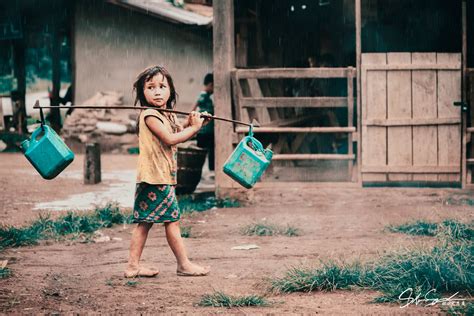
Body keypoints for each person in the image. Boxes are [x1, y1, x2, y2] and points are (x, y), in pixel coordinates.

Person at [125, 65, 211, 278]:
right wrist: (194, 129)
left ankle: (132, 266)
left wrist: (191, 123)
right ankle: (183, 264)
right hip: (154, 177)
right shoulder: (150, 115)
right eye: (151, 87)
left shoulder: (165, 114)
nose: (157, 91)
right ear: (142, 93)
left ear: (170, 90)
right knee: (171, 220)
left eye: (162, 86)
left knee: (144, 222)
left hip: (158, 176)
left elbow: (177, 131)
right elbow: (170, 139)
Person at [192, 73, 214, 171]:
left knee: (208, 151)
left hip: (207, 130)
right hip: (204, 130)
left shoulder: (207, 97)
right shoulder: (203, 96)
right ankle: (204, 170)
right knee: (203, 152)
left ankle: (208, 170)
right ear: (210, 84)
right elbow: (195, 106)